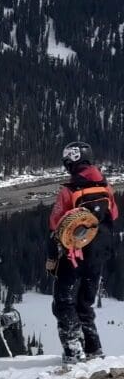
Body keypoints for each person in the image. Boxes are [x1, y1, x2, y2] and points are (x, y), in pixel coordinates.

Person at [47, 142, 119, 364]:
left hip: (73, 254)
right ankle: (93, 349)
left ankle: (72, 350)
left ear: (71, 162)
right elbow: (113, 216)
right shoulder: (105, 187)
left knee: (63, 302)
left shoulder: (69, 190)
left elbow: (55, 225)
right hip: (98, 253)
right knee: (85, 303)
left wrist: (51, 257)